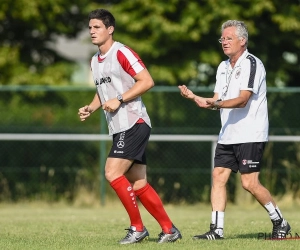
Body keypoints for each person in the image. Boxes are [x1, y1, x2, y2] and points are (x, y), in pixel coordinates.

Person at [178, 20, 291, 240]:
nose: (224, 42)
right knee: (218, 176)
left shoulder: (252, 63)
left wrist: (215, 104)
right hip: (227, 134)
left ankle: (280, 222)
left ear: (243, 40)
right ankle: (216, 231)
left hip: (250, 133)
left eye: (229, 38)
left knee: (249, 183)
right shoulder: (222, 67)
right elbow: (217, 99)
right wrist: (197, 99)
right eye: (222, 39)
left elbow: (242, 100)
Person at [78, 9, 182, 244]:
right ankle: (169, 229)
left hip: (133, 122)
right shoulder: (95, 60)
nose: (92, 31)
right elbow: (103, 90)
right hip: (119, 127)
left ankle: (138, 228)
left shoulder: (121, 52)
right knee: (138, 182)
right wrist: (92, 107)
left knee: (112, 172)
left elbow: (147, 81)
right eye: (90, 27)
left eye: (97, 27)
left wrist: (121, 99)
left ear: (110, 29)